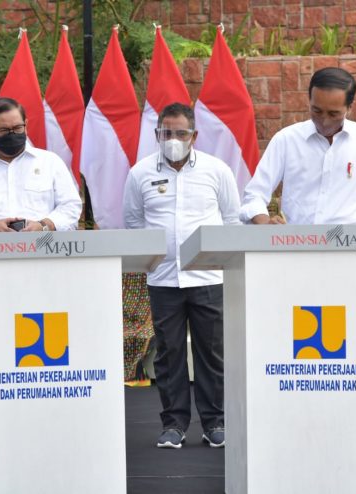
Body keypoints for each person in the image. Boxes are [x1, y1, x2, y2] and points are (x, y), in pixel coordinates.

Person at [123, 102, 241, 449]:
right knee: (169, 354)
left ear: (194, 136)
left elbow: (231, 221)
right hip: (163, 280)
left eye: (180, 133)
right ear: (157, 134)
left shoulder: (217, 171)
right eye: (166, 133)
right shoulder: (140, 173)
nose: (173, 139)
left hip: (207, 279)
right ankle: (173, 425)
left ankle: (215, 423)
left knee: (211, 352)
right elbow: (133, 223)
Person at [240, 67, 356, 225]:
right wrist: (265, 222)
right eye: (317, 111)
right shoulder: (286, 140)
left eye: (333, 114)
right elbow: (255, 194)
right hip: (296, 244)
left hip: (352, 244)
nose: (324, 121)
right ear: (309, 101)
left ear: (350, 107)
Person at [0, 97, 81, 233]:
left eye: (17, 128)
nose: (12, 134)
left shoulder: (50, 162)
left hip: (43, 248)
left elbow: (71, 207)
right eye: (3, 130)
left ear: (26, 126)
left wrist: (43, 225)